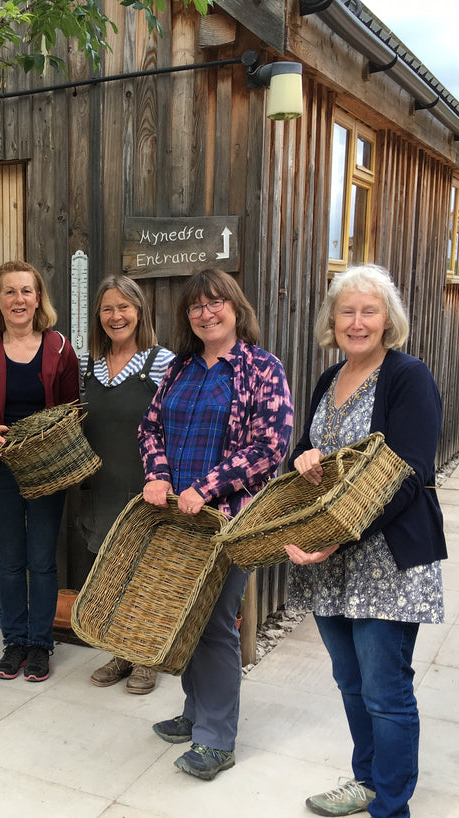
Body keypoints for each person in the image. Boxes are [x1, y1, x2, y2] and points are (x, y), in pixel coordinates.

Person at [283, 264, 445, 818]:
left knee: (386, 691)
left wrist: (341, 537)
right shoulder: (331, 377)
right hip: (332, 560)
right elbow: (309, 449)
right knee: (351, 681)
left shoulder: (407, 377)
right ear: (332, 320)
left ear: (388, 320)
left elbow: (407, 476)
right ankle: (368, 779)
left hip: (386, 559)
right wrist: (303, 461)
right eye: (346, 312)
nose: (356, 322)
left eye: (368, 312)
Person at [139, 268, 293, 780]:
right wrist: (158, 476)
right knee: (187, 616)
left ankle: (217, 739)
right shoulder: (180, 368)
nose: (206, 313)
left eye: (215, 303)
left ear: (235, 306)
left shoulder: (261, 368)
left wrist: (206, 487)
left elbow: (270, 447)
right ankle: (194, 713)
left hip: (226, 522)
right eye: (195, 307)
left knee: (216, 625)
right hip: (175, 522)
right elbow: (151, 426)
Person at [0, 259, 79, 683]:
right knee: (11, 561)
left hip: (46, 469)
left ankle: (40, 645)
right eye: (9, 292)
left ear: (38, 299)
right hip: (2, 469)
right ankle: (14, 642)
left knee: (42, 561)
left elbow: (71, 410)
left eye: (26, 291)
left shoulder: (60, 349)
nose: (18, 299)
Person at [79, 275, 174, 695]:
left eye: (124, 307)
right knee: (110, 571)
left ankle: (147, 657)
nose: (116, 316)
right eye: (107, 309)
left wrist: (166, 477)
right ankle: (120, 651)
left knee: (146, 573)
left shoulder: (162, 362)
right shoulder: (87, 365)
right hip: (101, 484)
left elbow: (177, 425)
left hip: (146, 485)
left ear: (139, 312)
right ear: (98, 317)